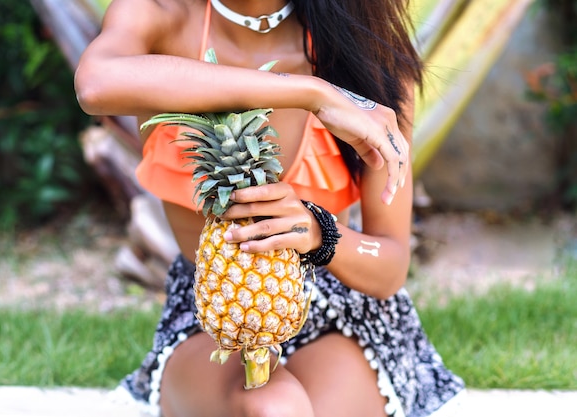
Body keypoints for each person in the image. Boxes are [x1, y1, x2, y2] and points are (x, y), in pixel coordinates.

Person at [75, 0, 466, 416]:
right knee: (270, 406)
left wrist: (320, 232)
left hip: (340, 318)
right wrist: (313, 93)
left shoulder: (364, 49)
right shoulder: (162, 13)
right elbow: (96, 84)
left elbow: (389, 266)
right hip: (211, 315)